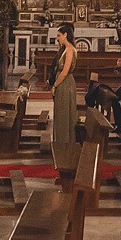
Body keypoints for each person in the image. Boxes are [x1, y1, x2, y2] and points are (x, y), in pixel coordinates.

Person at [50, 23, 79, 171]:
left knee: (64, 113)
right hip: (64, 83)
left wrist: (55, 85)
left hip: (65, 84)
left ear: (66, 35)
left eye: (59, 35)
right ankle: (60, 141)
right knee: (61, 112)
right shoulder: (64, 49)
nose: (57, 38)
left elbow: (65, 71)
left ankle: (65, 143)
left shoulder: (69, 50)